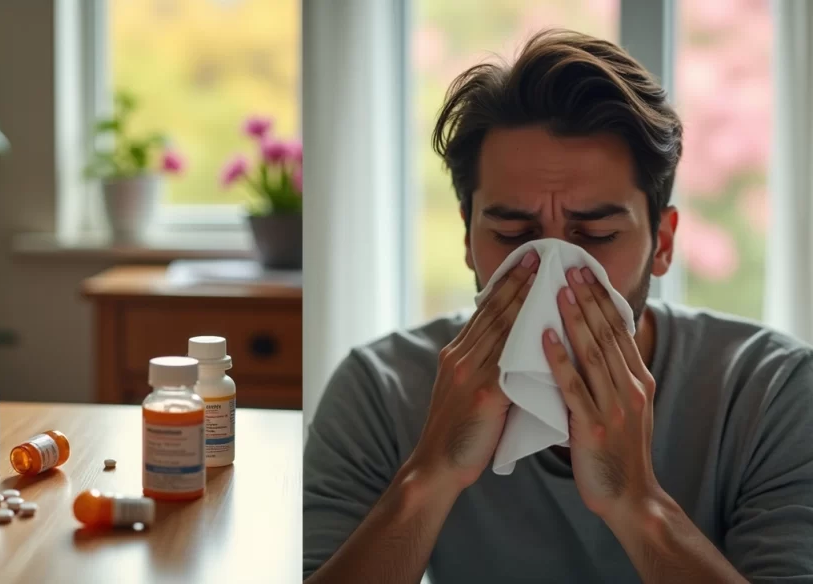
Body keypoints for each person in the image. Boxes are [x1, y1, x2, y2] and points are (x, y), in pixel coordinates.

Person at [303, 29, 813, 583]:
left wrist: (636, 503)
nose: (552, 275)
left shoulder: (772, 393)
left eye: (595, 235)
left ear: (662, 244)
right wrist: (432, 472)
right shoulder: (380, 390)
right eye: (513, 233)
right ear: (468, 237)